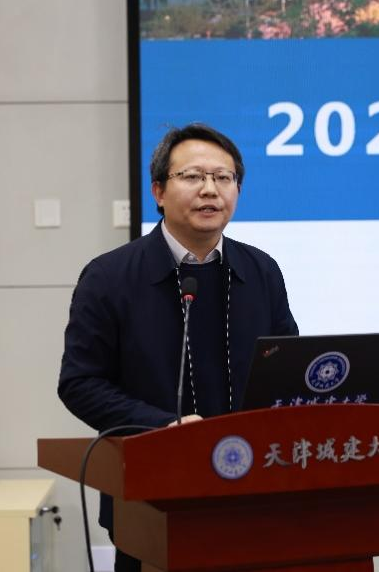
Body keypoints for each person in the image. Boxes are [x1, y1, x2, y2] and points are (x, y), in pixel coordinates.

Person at [58, 123, 298, 571]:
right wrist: (163, 427)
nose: (210, 189)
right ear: (158, 191)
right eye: (192, 176)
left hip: (253, 493)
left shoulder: (261, 271)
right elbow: (80, 383)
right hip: (151, 498)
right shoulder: (109, 277)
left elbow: (288, 370)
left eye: (223, 178)